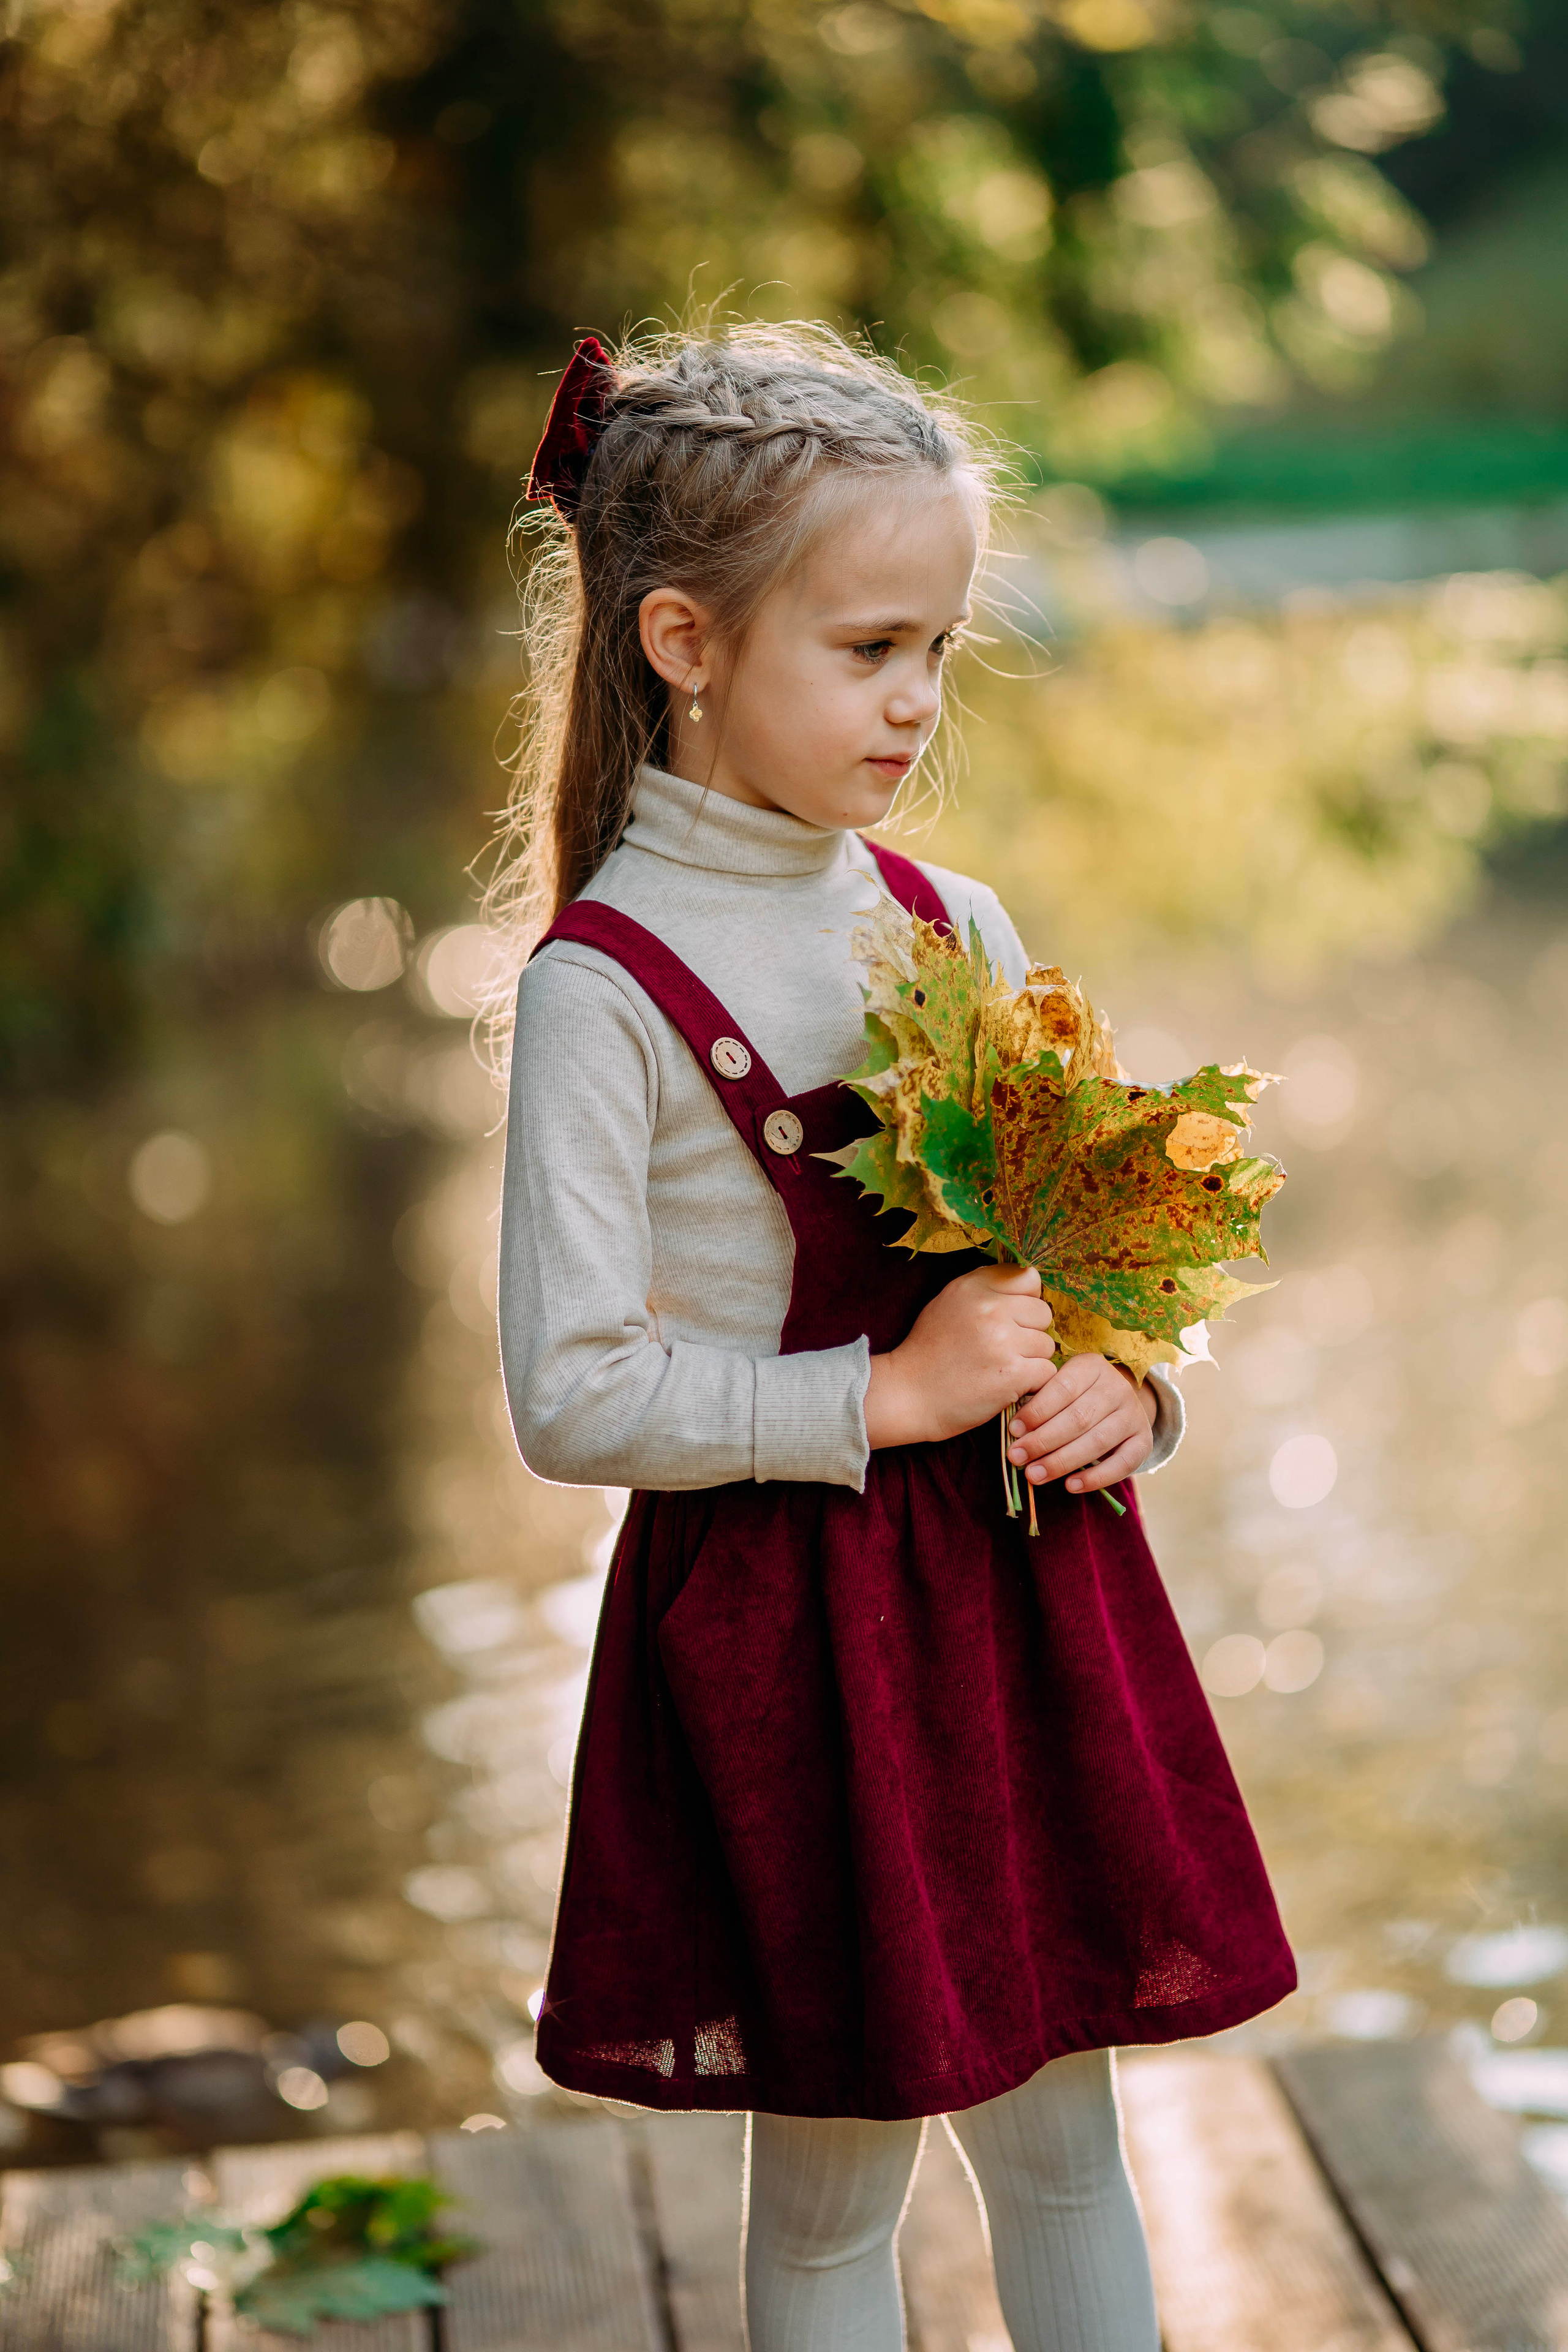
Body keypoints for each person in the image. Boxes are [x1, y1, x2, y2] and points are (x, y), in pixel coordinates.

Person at [490, 323, 1295, 2352]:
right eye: (867, 650)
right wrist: (894, 1391)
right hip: (797, 1639)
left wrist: (1129, 1392)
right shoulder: (603, 990)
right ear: (684, 641)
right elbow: (572, 1394)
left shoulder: (958, 923)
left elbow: (1086, 1268)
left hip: (1020, 1606)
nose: (918, 700)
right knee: (840, 2175)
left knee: (1067, 2143)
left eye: (937, 647)